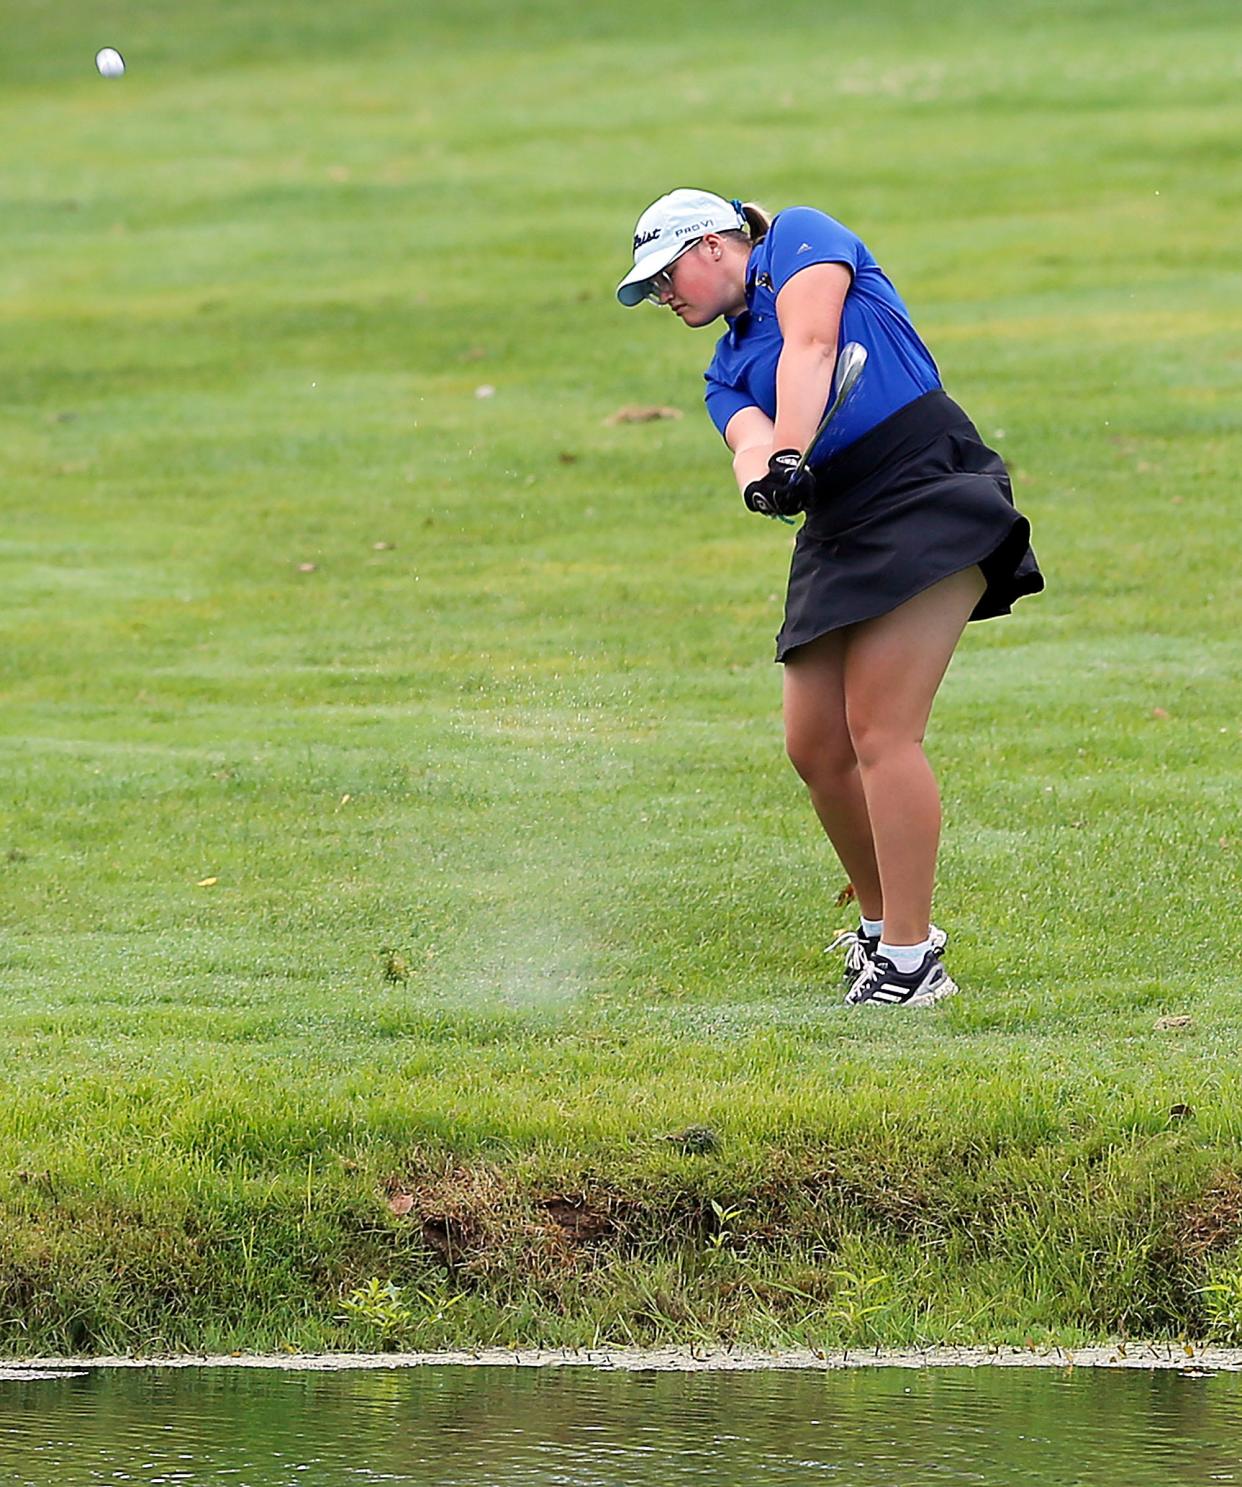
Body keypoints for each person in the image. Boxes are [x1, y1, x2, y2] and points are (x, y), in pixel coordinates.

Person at [615, 189, 1043, 1007]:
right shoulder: (722, 367)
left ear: (713, 245)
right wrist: (766, 483)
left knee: (881, 727)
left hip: (926, 484)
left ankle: (915, 964)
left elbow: (813, 349)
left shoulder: (800, 240)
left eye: (667, 276)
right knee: (814, 743)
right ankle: (882, 931)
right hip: (839, 514)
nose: (663, 297)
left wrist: (789, 446)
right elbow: (745, 436)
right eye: (653, 290)